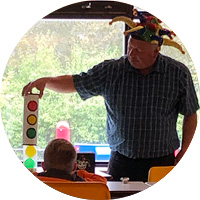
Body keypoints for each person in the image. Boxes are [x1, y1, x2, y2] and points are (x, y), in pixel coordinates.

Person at [22, 12, 199, 182]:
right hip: (120, 161)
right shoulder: (112, 71)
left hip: (163, 161)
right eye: (130, 47)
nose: (132, 54)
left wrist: (184, 153)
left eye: (138, 50)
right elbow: (76, 82)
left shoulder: (178, 73)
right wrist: (45, 81)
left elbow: (190, 113)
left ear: (155, 52)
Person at [35, 138, 107, 183]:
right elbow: (102, 180)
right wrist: (80, 172)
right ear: (74, 167)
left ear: (43, 166)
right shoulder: (86, 184)